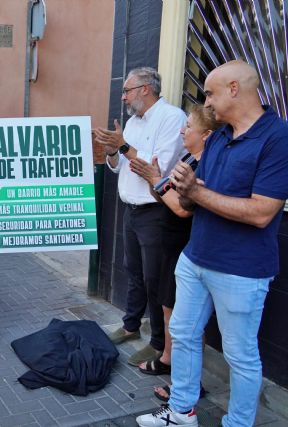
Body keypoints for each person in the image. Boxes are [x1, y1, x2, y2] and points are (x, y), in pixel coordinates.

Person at [136, 61, 288, 427]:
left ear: (234, 89)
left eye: (210, 93)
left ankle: (238, 423)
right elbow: (191, 203)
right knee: (184, 335)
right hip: (196, 259)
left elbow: (261, 213)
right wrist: (181, 186)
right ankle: (181, 411)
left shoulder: (277, 138)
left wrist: (196, 193)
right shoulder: (219, 136)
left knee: (240, 355)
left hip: (242, 270)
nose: (206, 103)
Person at [94, 67, 186, 366]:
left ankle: (160, 343)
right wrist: (112, 151)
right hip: (131, 209)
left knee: (155, 278)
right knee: (133, 271)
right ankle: (131, 325)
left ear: (146, 89)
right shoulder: (132, 122)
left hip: (157, 210)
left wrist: (123, 145)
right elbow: (119, 165)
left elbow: (160, 165)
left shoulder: (172, 118)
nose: (123, 97)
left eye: (128, 90)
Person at [130, 105, 219, 401]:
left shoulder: (205, 166)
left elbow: (182, 208)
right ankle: (169, 361)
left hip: (185, 246)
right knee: (169, 309)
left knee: (185, 320)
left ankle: (189, 384)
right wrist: (153, 179)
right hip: (171, 247)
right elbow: (164, 191)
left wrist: (154, 177)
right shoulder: (188, 158)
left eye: (189, 127)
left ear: (206, 135)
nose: (183, 130)